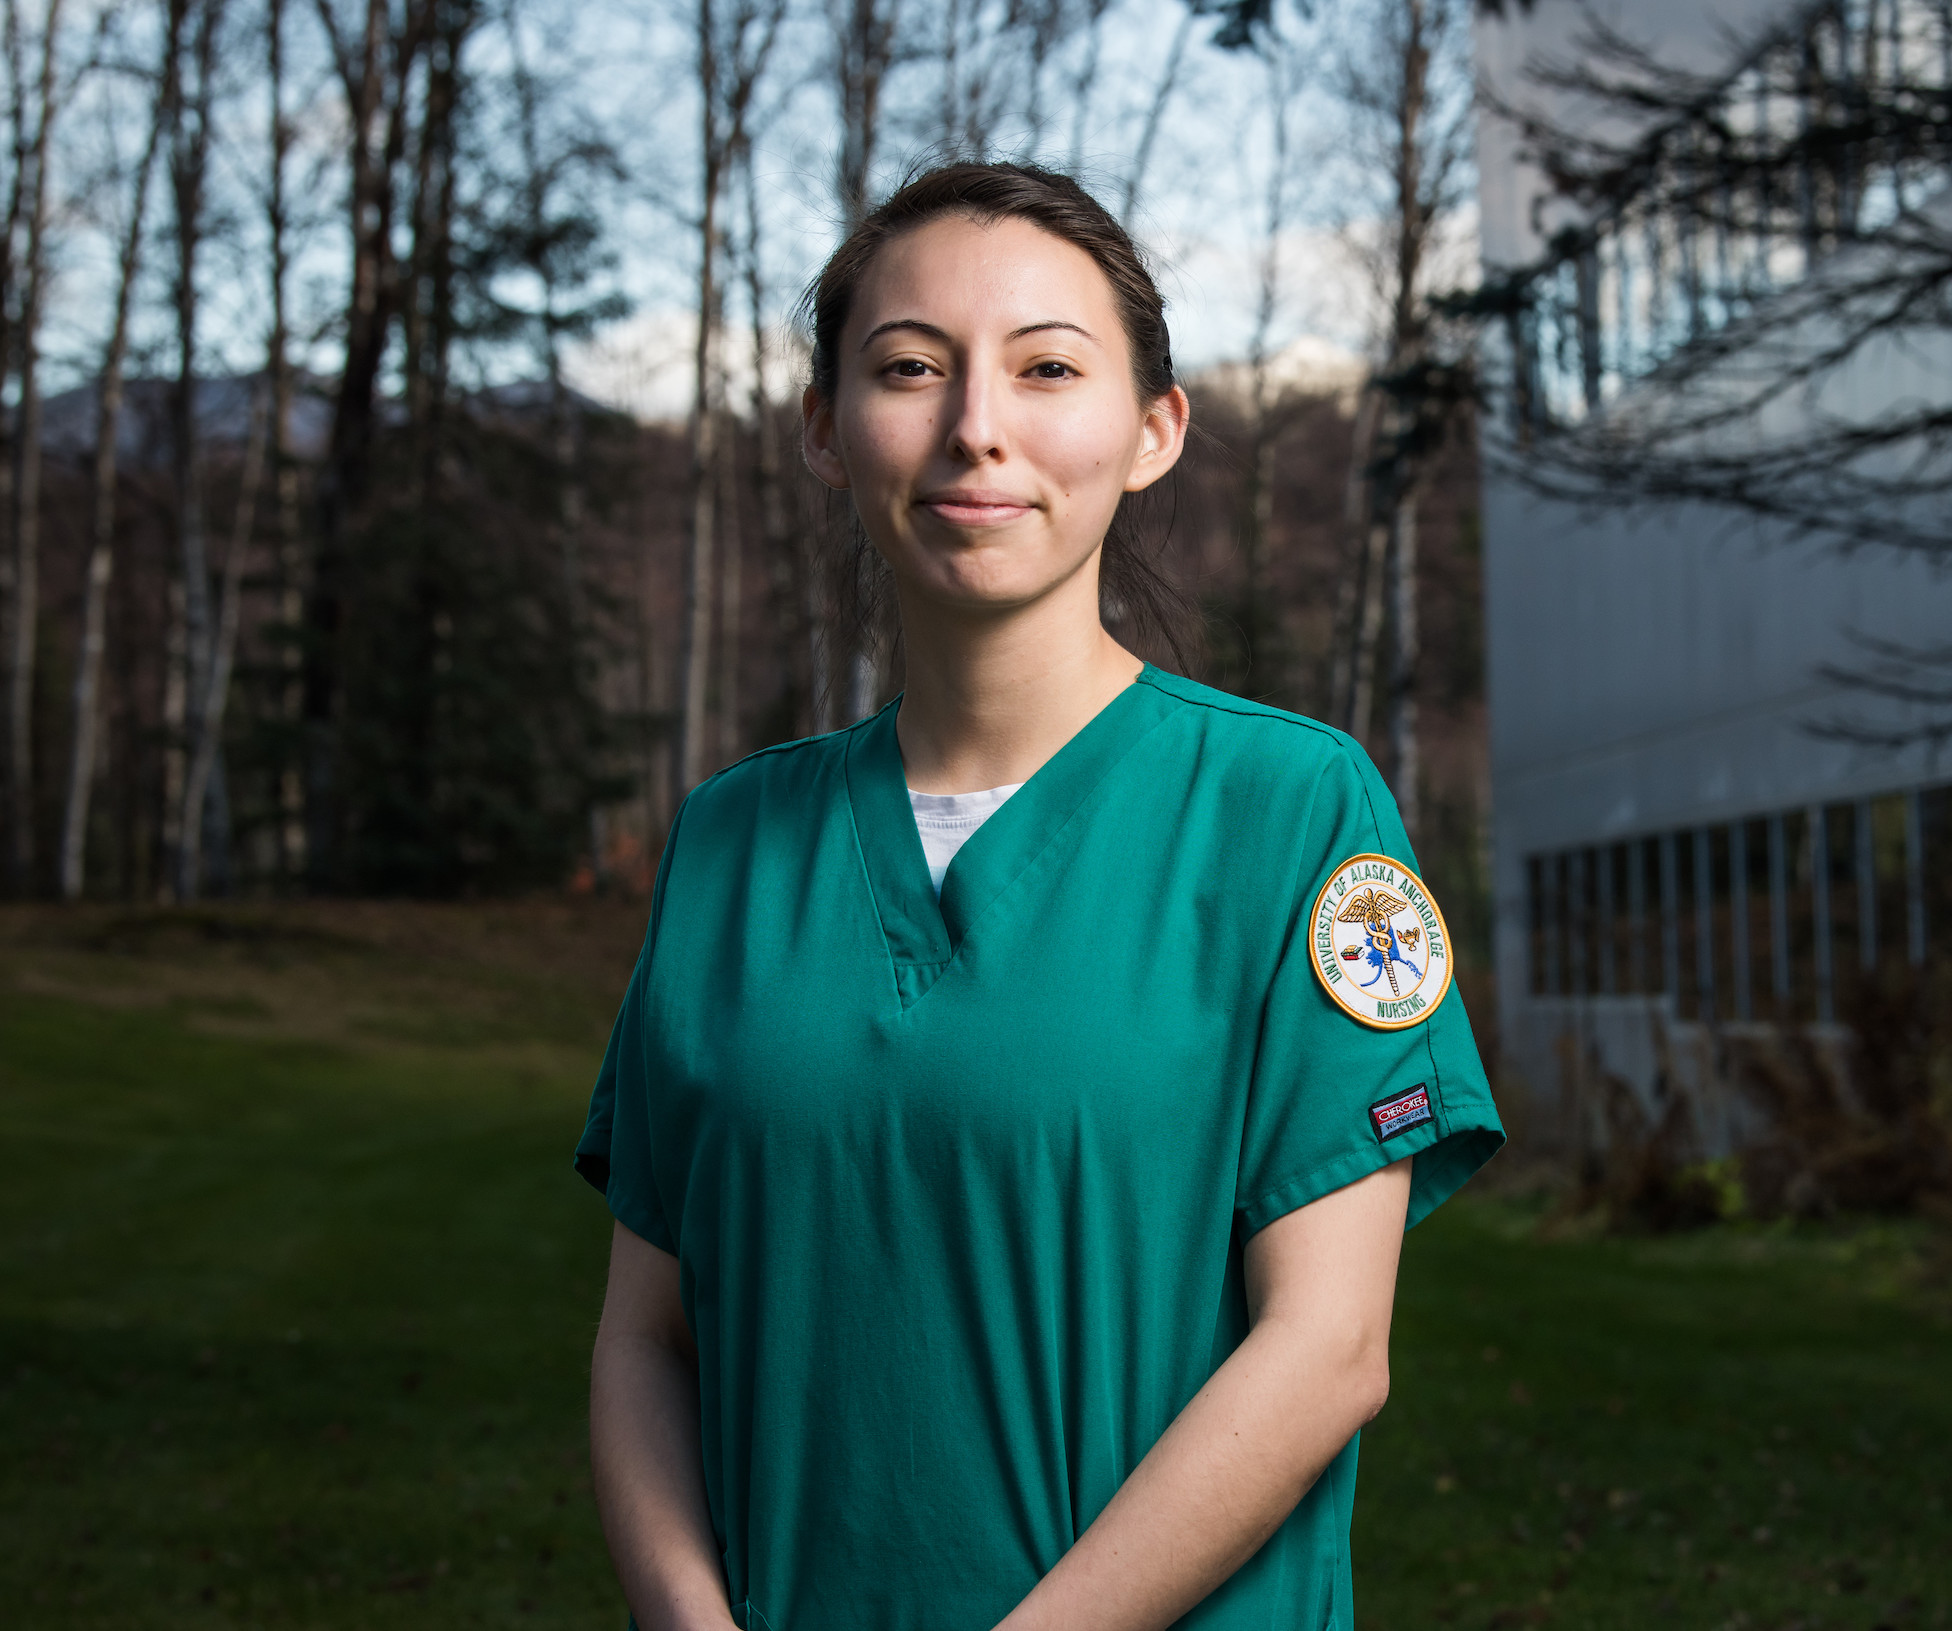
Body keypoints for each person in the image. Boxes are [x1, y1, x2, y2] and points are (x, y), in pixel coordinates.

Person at [576, 161, 1502, 1631]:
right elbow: (645, 1342)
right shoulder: (727, 843)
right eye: (908, 368)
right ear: (828, 429)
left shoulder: (1295, 816)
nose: (975, 428)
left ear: (1152, 431)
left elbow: (1331, 1347)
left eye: (1046, 368)